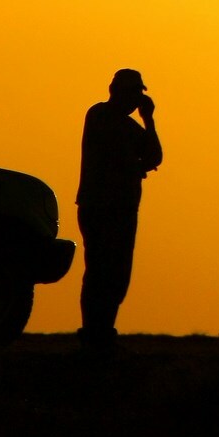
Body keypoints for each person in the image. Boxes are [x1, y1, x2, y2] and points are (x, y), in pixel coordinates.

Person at [76, 68, 162, 353]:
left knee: (117, 273)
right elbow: (122, 155)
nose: (137, 100)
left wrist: (149, 120)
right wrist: (136, 166)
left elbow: (155, 155)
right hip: (101, 207)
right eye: (135, 93)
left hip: (123, 209)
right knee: (101, 270)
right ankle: (93, 332)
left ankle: (102, 332)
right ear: (118, 91)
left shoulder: (128, 126)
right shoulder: (99, 115)